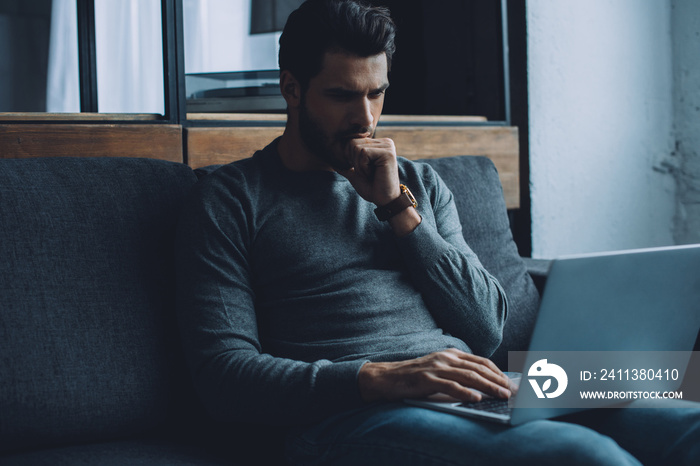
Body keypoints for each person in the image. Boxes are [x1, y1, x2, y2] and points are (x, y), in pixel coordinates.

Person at [175, 1, 700, 464]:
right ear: (291, 88)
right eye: (342, 95)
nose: (365, 119)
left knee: (686, 424)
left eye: (376, 94)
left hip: (479, 392)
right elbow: (225, 379)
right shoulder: (230, 199)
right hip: (346, 418)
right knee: (579, 455)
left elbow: (487, 329)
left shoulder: (419, 184)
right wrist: (381, 377)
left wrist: (397, 211)